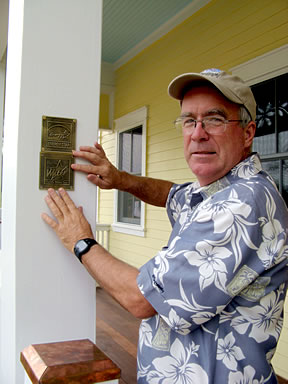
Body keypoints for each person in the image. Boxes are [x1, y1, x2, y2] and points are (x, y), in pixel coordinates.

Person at [42, 68, 288, 384]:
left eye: (215, 119)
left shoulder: (241, 203)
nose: (198, 133)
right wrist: (121, 179)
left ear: (247, 132)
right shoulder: (220, 187)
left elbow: (142, 299)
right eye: (189, 120)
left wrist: (81, 241)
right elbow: (172, 194)